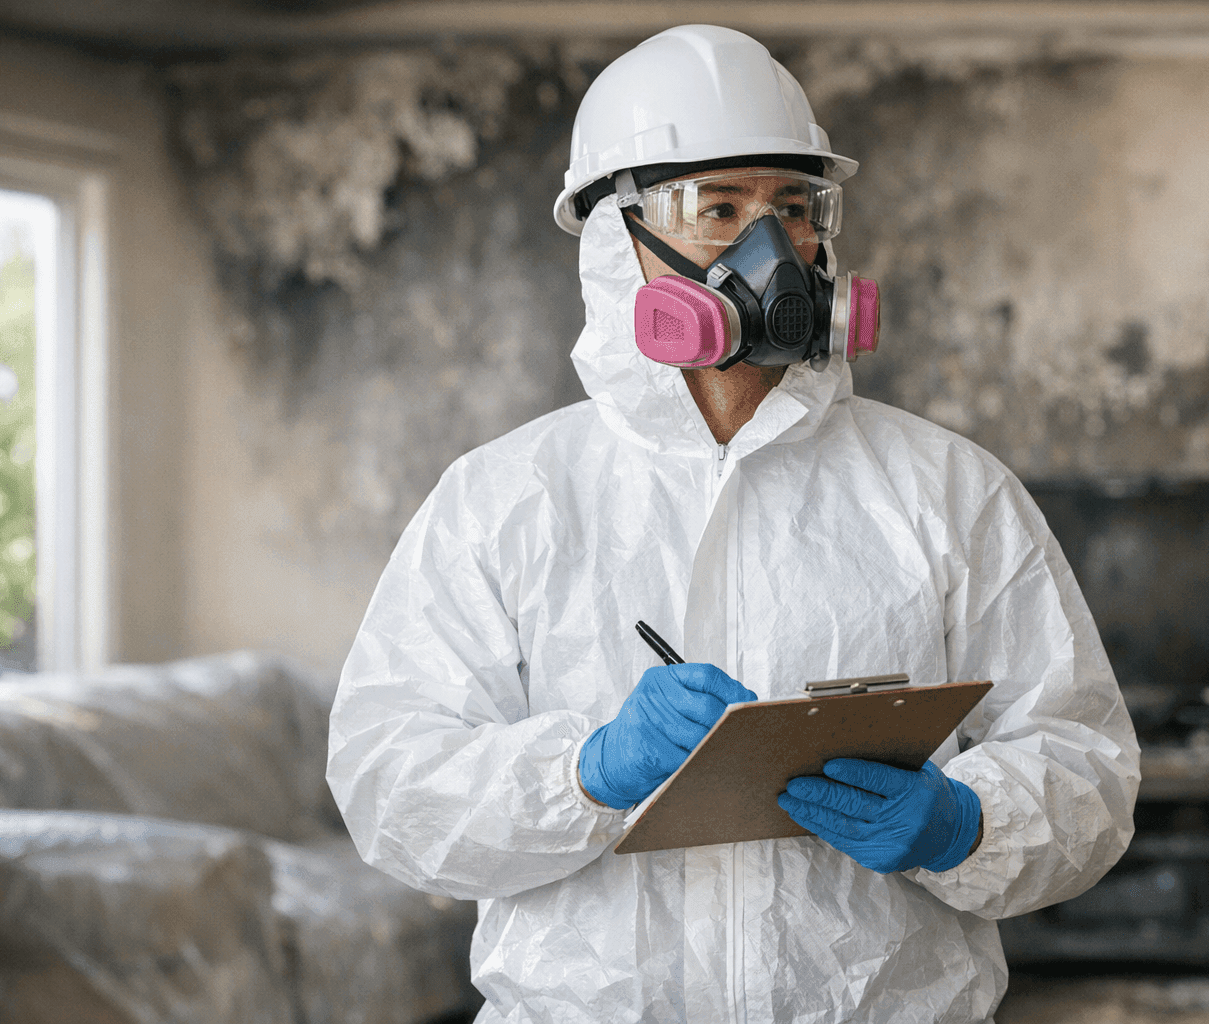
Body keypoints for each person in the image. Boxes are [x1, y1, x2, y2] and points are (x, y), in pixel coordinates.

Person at [327, 23, 1140, 1024]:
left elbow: (1088, 763)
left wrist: (965, 824)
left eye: (794, 208)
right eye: (719, 208)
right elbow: (388, 788)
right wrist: (583, 772)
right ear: (617, 245)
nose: (773, 251)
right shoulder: (505, 499)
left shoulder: (946, 489)